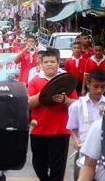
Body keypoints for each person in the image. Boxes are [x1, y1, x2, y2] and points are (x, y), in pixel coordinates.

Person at [28, 49, 78, 181]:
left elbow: (77, 104)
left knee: (58, 168)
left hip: (60, 130)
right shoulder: (35, 81)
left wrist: (65, 100)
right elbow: (29, 103)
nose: (49, 64)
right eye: (46, 62)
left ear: (58, 63)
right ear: (41, 64)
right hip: (38, 130)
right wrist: (45, 93)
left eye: (52, 61)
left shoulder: (65, 81)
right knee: (39, 164)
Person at [66, 69, 105, 181]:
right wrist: (76, 139)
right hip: (84, 151)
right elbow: (73, 127)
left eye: (103, 86)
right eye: (95, 86)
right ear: (88, 84)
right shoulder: (77, 105)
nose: (99, 90)